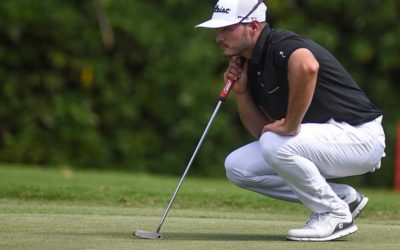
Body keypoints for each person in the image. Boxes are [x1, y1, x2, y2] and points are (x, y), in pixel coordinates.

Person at [195, 0, 386, 242]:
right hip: (327, 140)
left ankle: (333, 213)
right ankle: (340, 199)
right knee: (238, 167)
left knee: (275, 142)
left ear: (253, 27)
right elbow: (262, 134)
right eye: (217, 30)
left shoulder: (280, 45)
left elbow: (307, 66)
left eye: (227, 29)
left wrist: (291, 124)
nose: (218, 37)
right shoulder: (251, 66)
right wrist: (242, 93)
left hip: (360, 137)